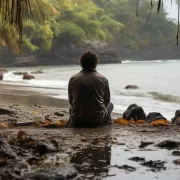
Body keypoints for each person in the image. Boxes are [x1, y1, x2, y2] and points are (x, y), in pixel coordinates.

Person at [67, 50, 113, 127]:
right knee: (111, 105)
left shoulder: (73, 79)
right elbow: (106, 101)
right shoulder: (103, 79)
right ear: (96, 63)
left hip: (77, 121)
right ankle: (107, 121)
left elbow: (71, 101)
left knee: (71, 107)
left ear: (81, 63)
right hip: (97, 120)